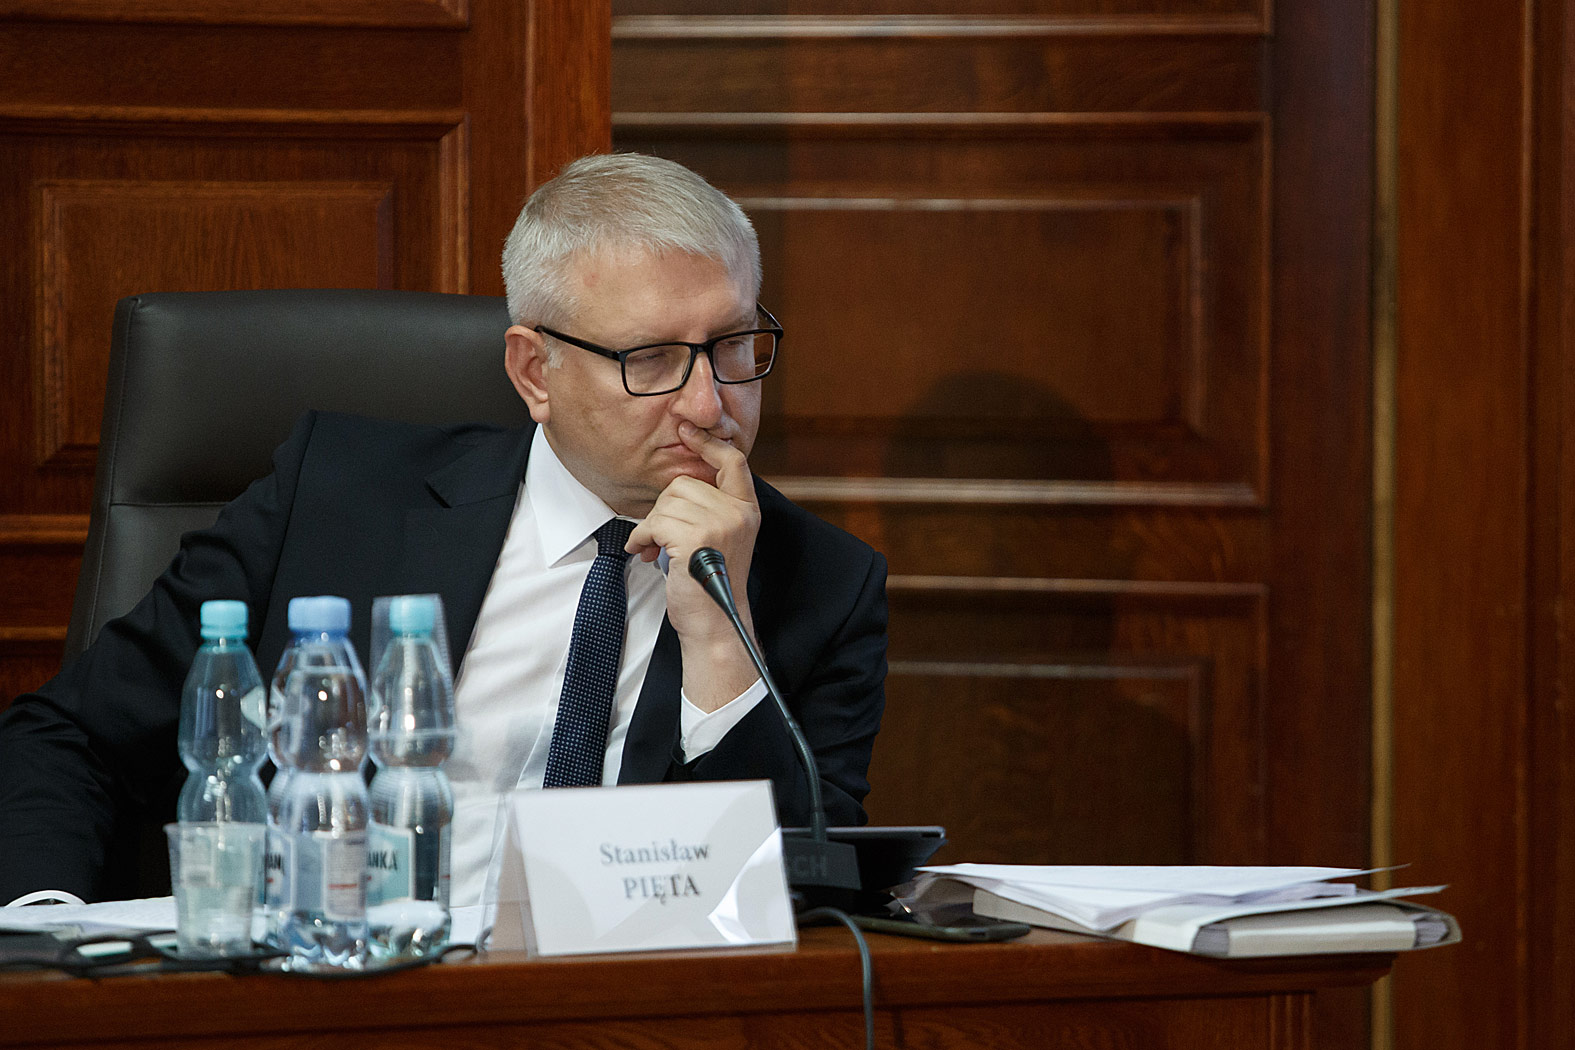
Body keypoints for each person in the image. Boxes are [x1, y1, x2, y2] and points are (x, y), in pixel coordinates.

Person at [0, 153, 888, 906]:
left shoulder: (823, 583)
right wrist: (43, 947)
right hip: (320, 983)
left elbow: (801, 896)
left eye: (732, 346)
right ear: (534, 372)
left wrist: (721, 644)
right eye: (651, 359)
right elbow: (69, 737)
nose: (709, 404)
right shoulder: (337, 495)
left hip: (612, 1016)